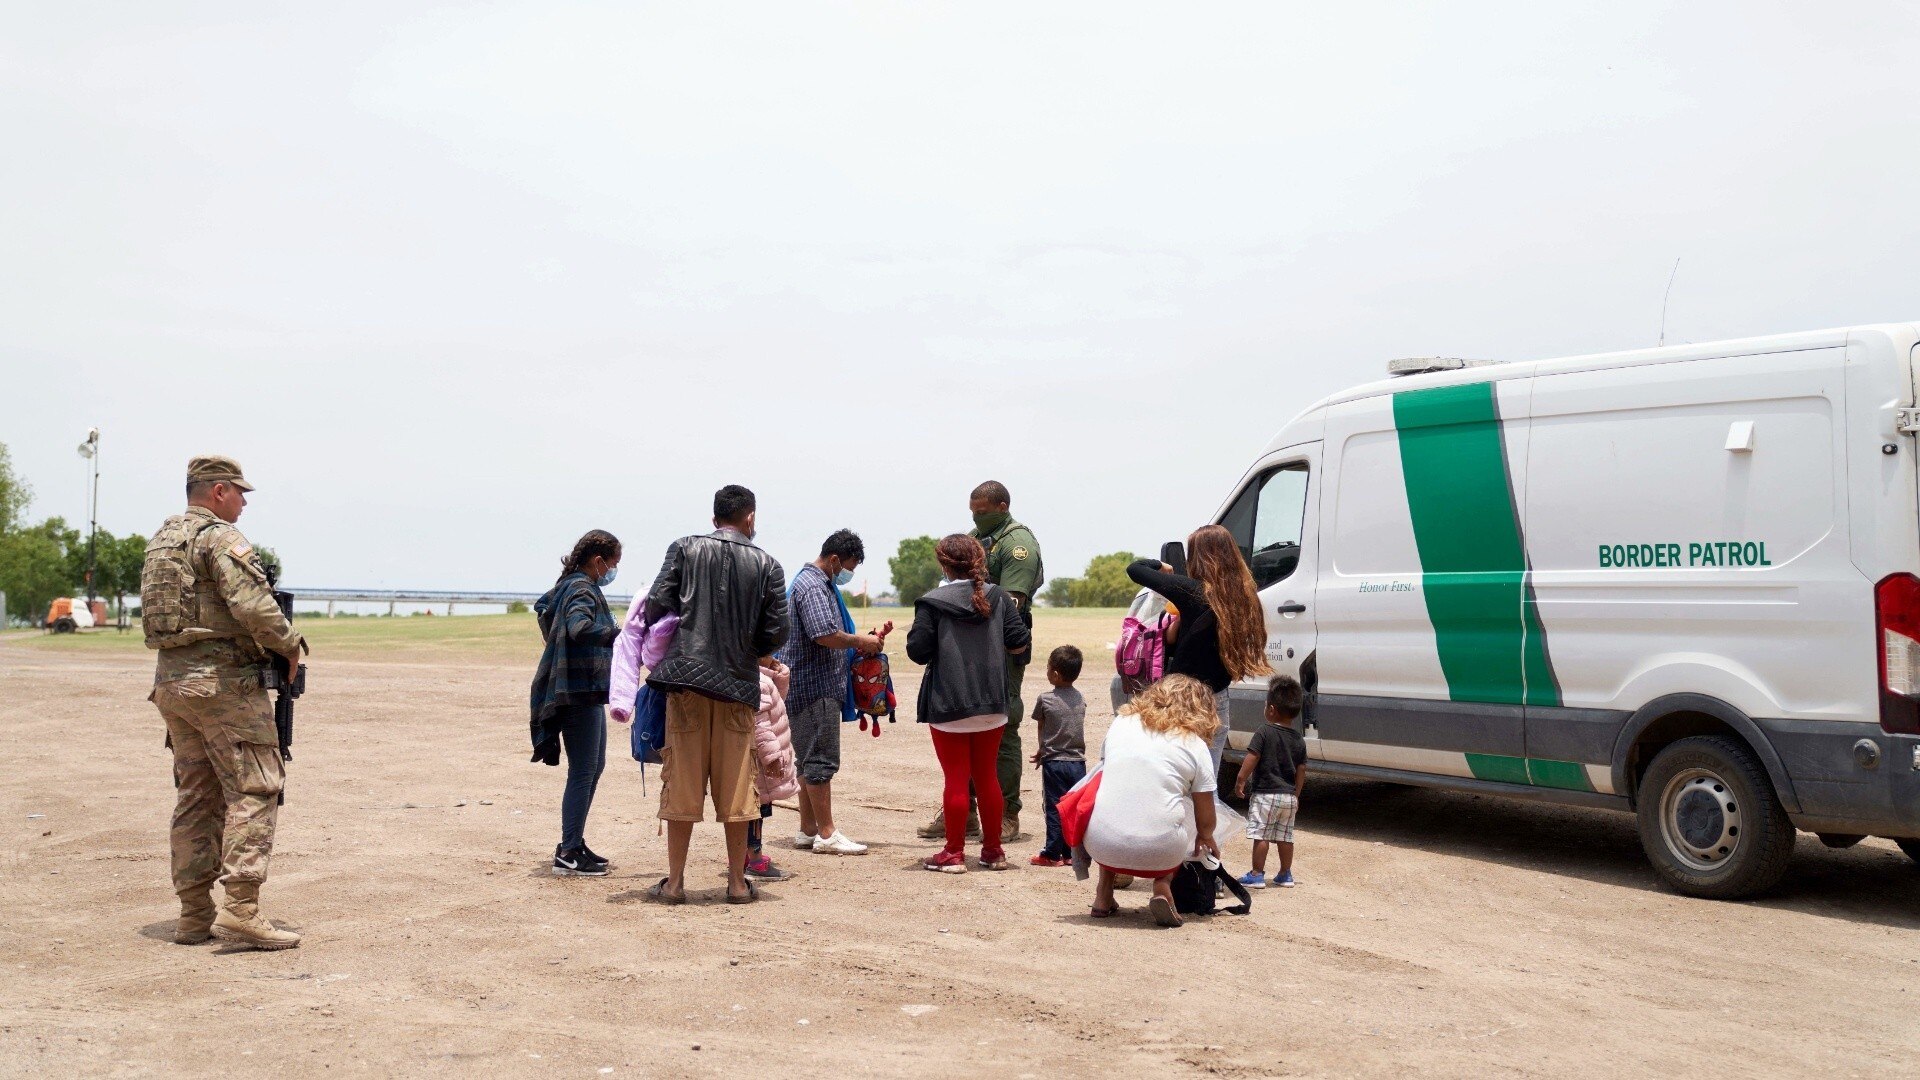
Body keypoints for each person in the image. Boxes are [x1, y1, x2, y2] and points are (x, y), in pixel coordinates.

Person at [141, 455, 307, 949]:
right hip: (222, 687)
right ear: (218, 491)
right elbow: (254, 604)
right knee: (255, 788)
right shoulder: (219, 537)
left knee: (197, 796)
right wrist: (289, 644)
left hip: (174, 686)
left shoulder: (163, 539)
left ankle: (194, 915)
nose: (244, 504)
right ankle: (241, 909)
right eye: (240, 494)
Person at [641, 485, 788, 904]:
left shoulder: (684, 548)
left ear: (714, 519)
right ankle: (738, 884)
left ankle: (674, 883)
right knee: (739, 787)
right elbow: (777, 630)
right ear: (751, 518)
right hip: (738, 687)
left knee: (682, 783)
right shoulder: (767, 564)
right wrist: (746, 646)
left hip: (686, 681)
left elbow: (656, 604)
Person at [919, 481, 1044, 845]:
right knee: (965, 723)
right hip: (968, 645)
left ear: (1003, 506)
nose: (976, 516)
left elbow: (1013, 603)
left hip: (1000, 649)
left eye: (983, 510)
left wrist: (950, 608)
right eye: (972, 510)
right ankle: (964, 812)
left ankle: (1007, 813)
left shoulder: (1017, 544)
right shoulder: (978, 537)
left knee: (1000, 729)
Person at [906, 534, 1031, 873]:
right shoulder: (999, 596)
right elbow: (1020, 643)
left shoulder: (932, 601)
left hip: (950, 704)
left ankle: (953, 854)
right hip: (992, 702)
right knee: (987, 776)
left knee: (956, 779)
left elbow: (917, 652)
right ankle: (993, 852)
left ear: (944, 564)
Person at [1125, 524, 1272, 775]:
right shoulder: (1245, 597)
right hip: (1218, 698)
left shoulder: (1191, 591)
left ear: (1199, 557)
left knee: (1175, 778)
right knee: (1207, 782)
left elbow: (1135, 569)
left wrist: (1162, 567)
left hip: (1184, 698)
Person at [778, 529, 886, 856]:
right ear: (835, 559)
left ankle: (808, 830)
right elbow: (823, 634)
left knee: (807, 758)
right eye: (848, 567)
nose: (847, 574)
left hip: (808, 684)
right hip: (814, 686)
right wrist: (860, 642)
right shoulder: (812, 586)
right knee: (821, 759)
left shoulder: (815, 583)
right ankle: (827, 833)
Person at [1083, 674, 1221, 928]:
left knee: (1121, 796)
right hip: (1162, 851)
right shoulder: (1194, 744)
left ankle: (1103, 893)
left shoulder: (1121, 722)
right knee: (1183, 805)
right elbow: (1206, 821)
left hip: (1100, 843)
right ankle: (1163, 885)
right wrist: (1207, 836)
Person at [529, 530, 622, 877]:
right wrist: (618, 634)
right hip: (577, 693)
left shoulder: (571, 585)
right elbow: (578, 627)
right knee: (583, 771)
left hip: (582, 690)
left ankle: (575, 842)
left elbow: (550, 612)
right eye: (613, 564)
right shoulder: (582, 588)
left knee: (592, 768)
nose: (613, 571)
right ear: (598, 561)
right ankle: (568, 852)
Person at [1236, 675, 1308, 889]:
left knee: (1262, 835)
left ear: (1271, 710)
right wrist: (1296, 794)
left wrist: (1240, 779)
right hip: (1288, 796)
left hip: (1265, 794)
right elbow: (1302, 769)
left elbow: (1252, 757)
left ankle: (1257, 874)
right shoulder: (1298, 739)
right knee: (1286, 836)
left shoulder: (1264, 732)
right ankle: (1285, 874)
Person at [1029, 645, 1087, 867]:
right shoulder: (1080, 698)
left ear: (1055, 674)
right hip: (1078, 763)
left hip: (1054, 763)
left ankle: (1052, 854)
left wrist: (1042, 749)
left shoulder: (1045, 699)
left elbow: (1042, 727)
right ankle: (1071, 853)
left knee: (1054, 807)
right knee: (1072, 808)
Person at [746, 658, 800, 880]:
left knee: (753, 812)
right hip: (760, 765)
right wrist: (772, 758)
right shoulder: (757, 681)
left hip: (759, 764)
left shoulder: (762, 678)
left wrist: (779, 674)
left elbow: (777, 701)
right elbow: (760, 725)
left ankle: (744, 856)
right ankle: (754, 861)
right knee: (753, 814)